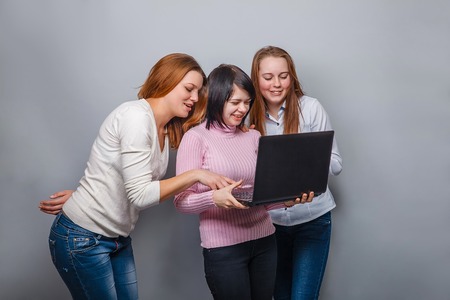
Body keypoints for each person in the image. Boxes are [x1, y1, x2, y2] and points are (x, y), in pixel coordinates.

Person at [40, 53, 236, 300]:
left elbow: (117, 172)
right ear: (166, 80)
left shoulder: (165, 129)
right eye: (189, 89)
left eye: (198, 92)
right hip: (83, 238)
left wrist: (241, 131)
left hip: (117, 239)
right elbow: (141, 195)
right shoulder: (135, 117)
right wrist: (195, 175)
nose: (195, 98)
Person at [173, 64, 313, 300]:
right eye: (235, 102)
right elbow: (181, 202)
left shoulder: (253, 136)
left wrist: (285, 200)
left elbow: (259, 197)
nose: (243, 109)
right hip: (224, 248)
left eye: (247, 102)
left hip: (265, 241)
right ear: (217, 99)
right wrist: (213, 198)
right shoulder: (195, 138)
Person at [248, 46, 343, 300]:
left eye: (284, 76)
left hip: (313, 221)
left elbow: (336, 163)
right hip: (270, 225)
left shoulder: (310, 108)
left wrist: (305, 160)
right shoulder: (247, 118)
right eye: (268, 77)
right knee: (278, 296)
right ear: (256, 79)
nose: (277, 84)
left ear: (292, 77)